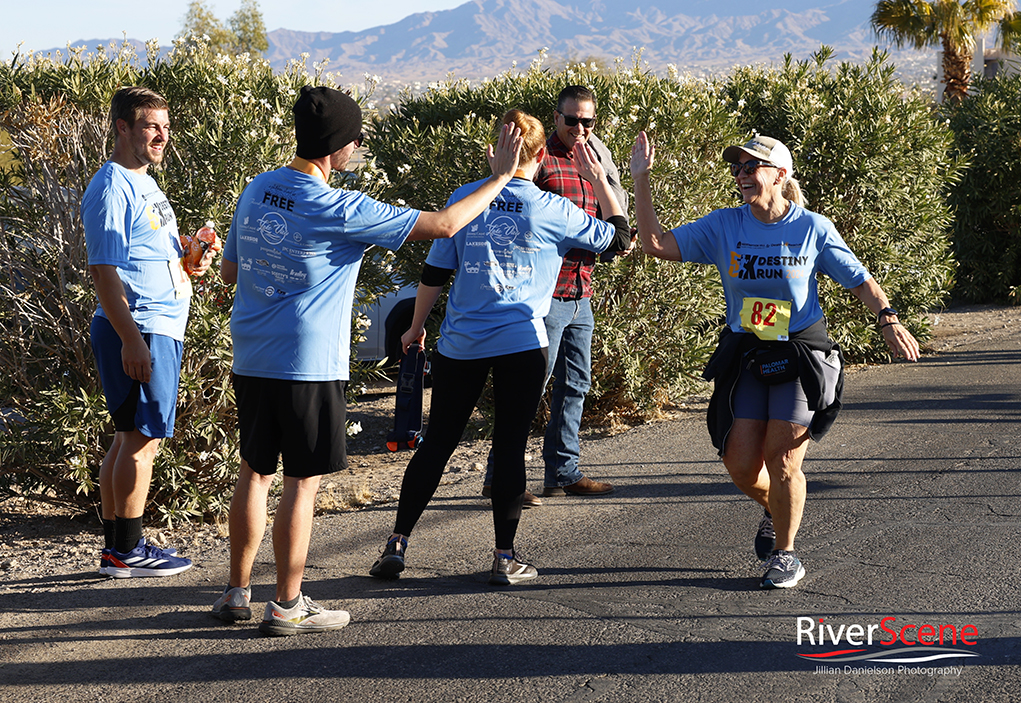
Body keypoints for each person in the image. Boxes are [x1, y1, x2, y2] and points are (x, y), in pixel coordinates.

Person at [212, 86, 525, 635]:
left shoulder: (257, 189)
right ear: (339, 146)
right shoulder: (340, 206)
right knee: (301, 483)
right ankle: (287, 605)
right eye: (355, 142)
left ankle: (237, 593)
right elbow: (447, 225)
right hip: (307, 364)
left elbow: (231, 274)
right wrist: (500, 178)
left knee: (254, 473)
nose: (356, 151)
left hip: (252, 355)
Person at [629, 132, 920, 589]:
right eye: (738, 168)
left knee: (782, 459)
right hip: (748, 352)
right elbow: (655, 244)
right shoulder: (725, 225)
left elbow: (860, 280)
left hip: (801, 353)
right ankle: (774, 507)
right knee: (741, 464)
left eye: (752, 167)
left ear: (780, 175)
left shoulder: (813, 228)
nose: (742, 174)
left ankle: (786, 555)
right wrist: (641, 180)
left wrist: (888, 319)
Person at [368, 109, 632, 586]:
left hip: (461, 343)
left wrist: (416, 328)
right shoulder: (553, 208)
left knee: (438, 443)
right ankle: (504, 558)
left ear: (498, 148)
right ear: (540, 155)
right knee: (509, 446)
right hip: (522, 344)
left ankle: (397, 545)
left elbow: (434, 272)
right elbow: (620, 241)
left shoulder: (465, 198)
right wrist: (599, 180)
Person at [83, 86, 220, 579]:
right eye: (150, 126)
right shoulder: (112, 186)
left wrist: (189, 259)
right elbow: (104, 272)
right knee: (142, 439)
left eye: (165, 125)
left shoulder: (144, 182)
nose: (162, 135)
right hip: (139, 327)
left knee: (127, 439)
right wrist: (133, 340)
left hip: (155, 323)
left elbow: (149, 254)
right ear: (123, 127)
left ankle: (117, 546)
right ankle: (127, 550)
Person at [481, 85, 632, 505]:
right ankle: (499, 477)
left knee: (575, 386)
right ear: (556, 118)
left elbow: (606, 220)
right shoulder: (539, 161)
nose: (580, 129)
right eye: (572, 120)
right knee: (528, 389)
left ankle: (563, 472)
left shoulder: (595, 160)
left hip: (581, 291)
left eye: (588, 121)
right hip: (543, 295)